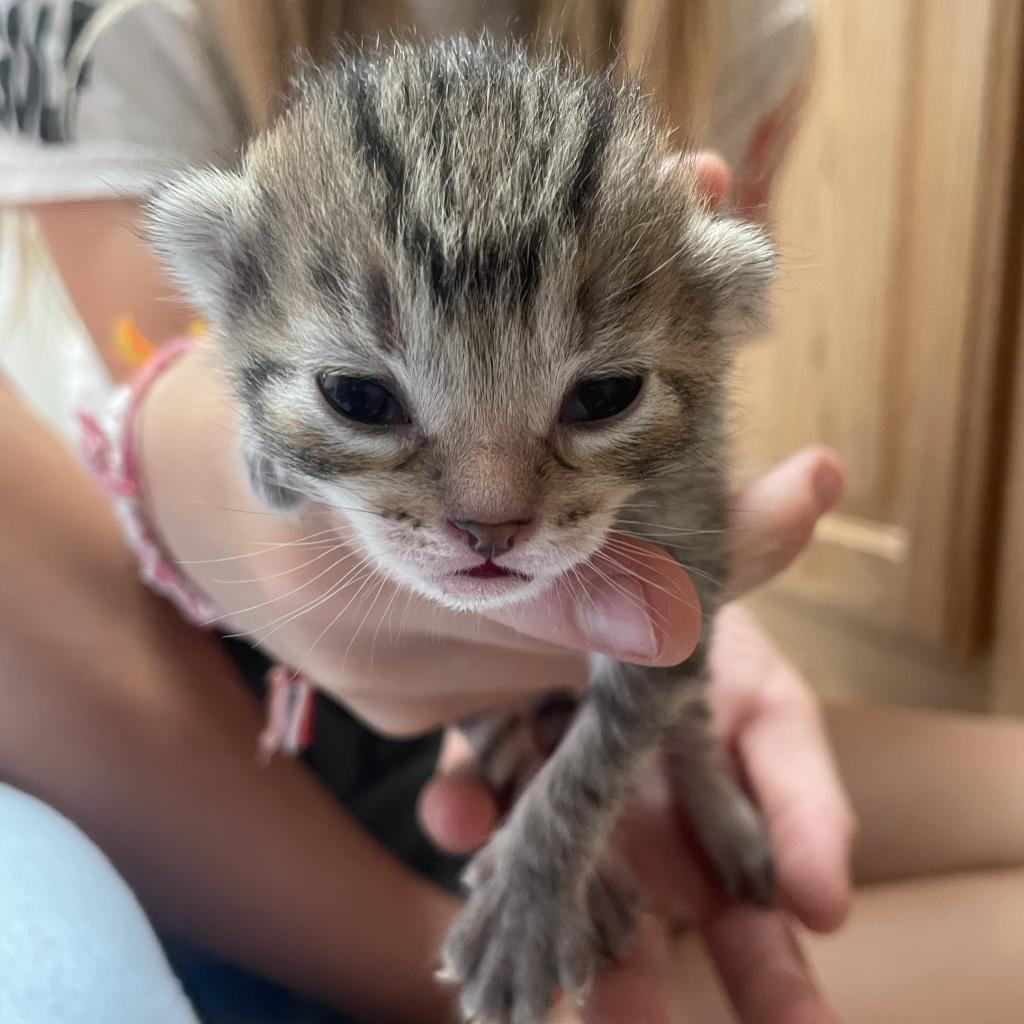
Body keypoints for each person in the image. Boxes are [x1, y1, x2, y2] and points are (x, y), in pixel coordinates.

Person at [0, 3, 1022, 1023]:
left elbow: (678, 540)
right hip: (247, 710)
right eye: (365, 395)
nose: (491, 514)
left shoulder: (747, 26)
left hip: (588, 665)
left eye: (595, 394)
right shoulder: (124, 23)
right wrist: (189, 458)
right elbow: (183, 356)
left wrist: (662, 739)